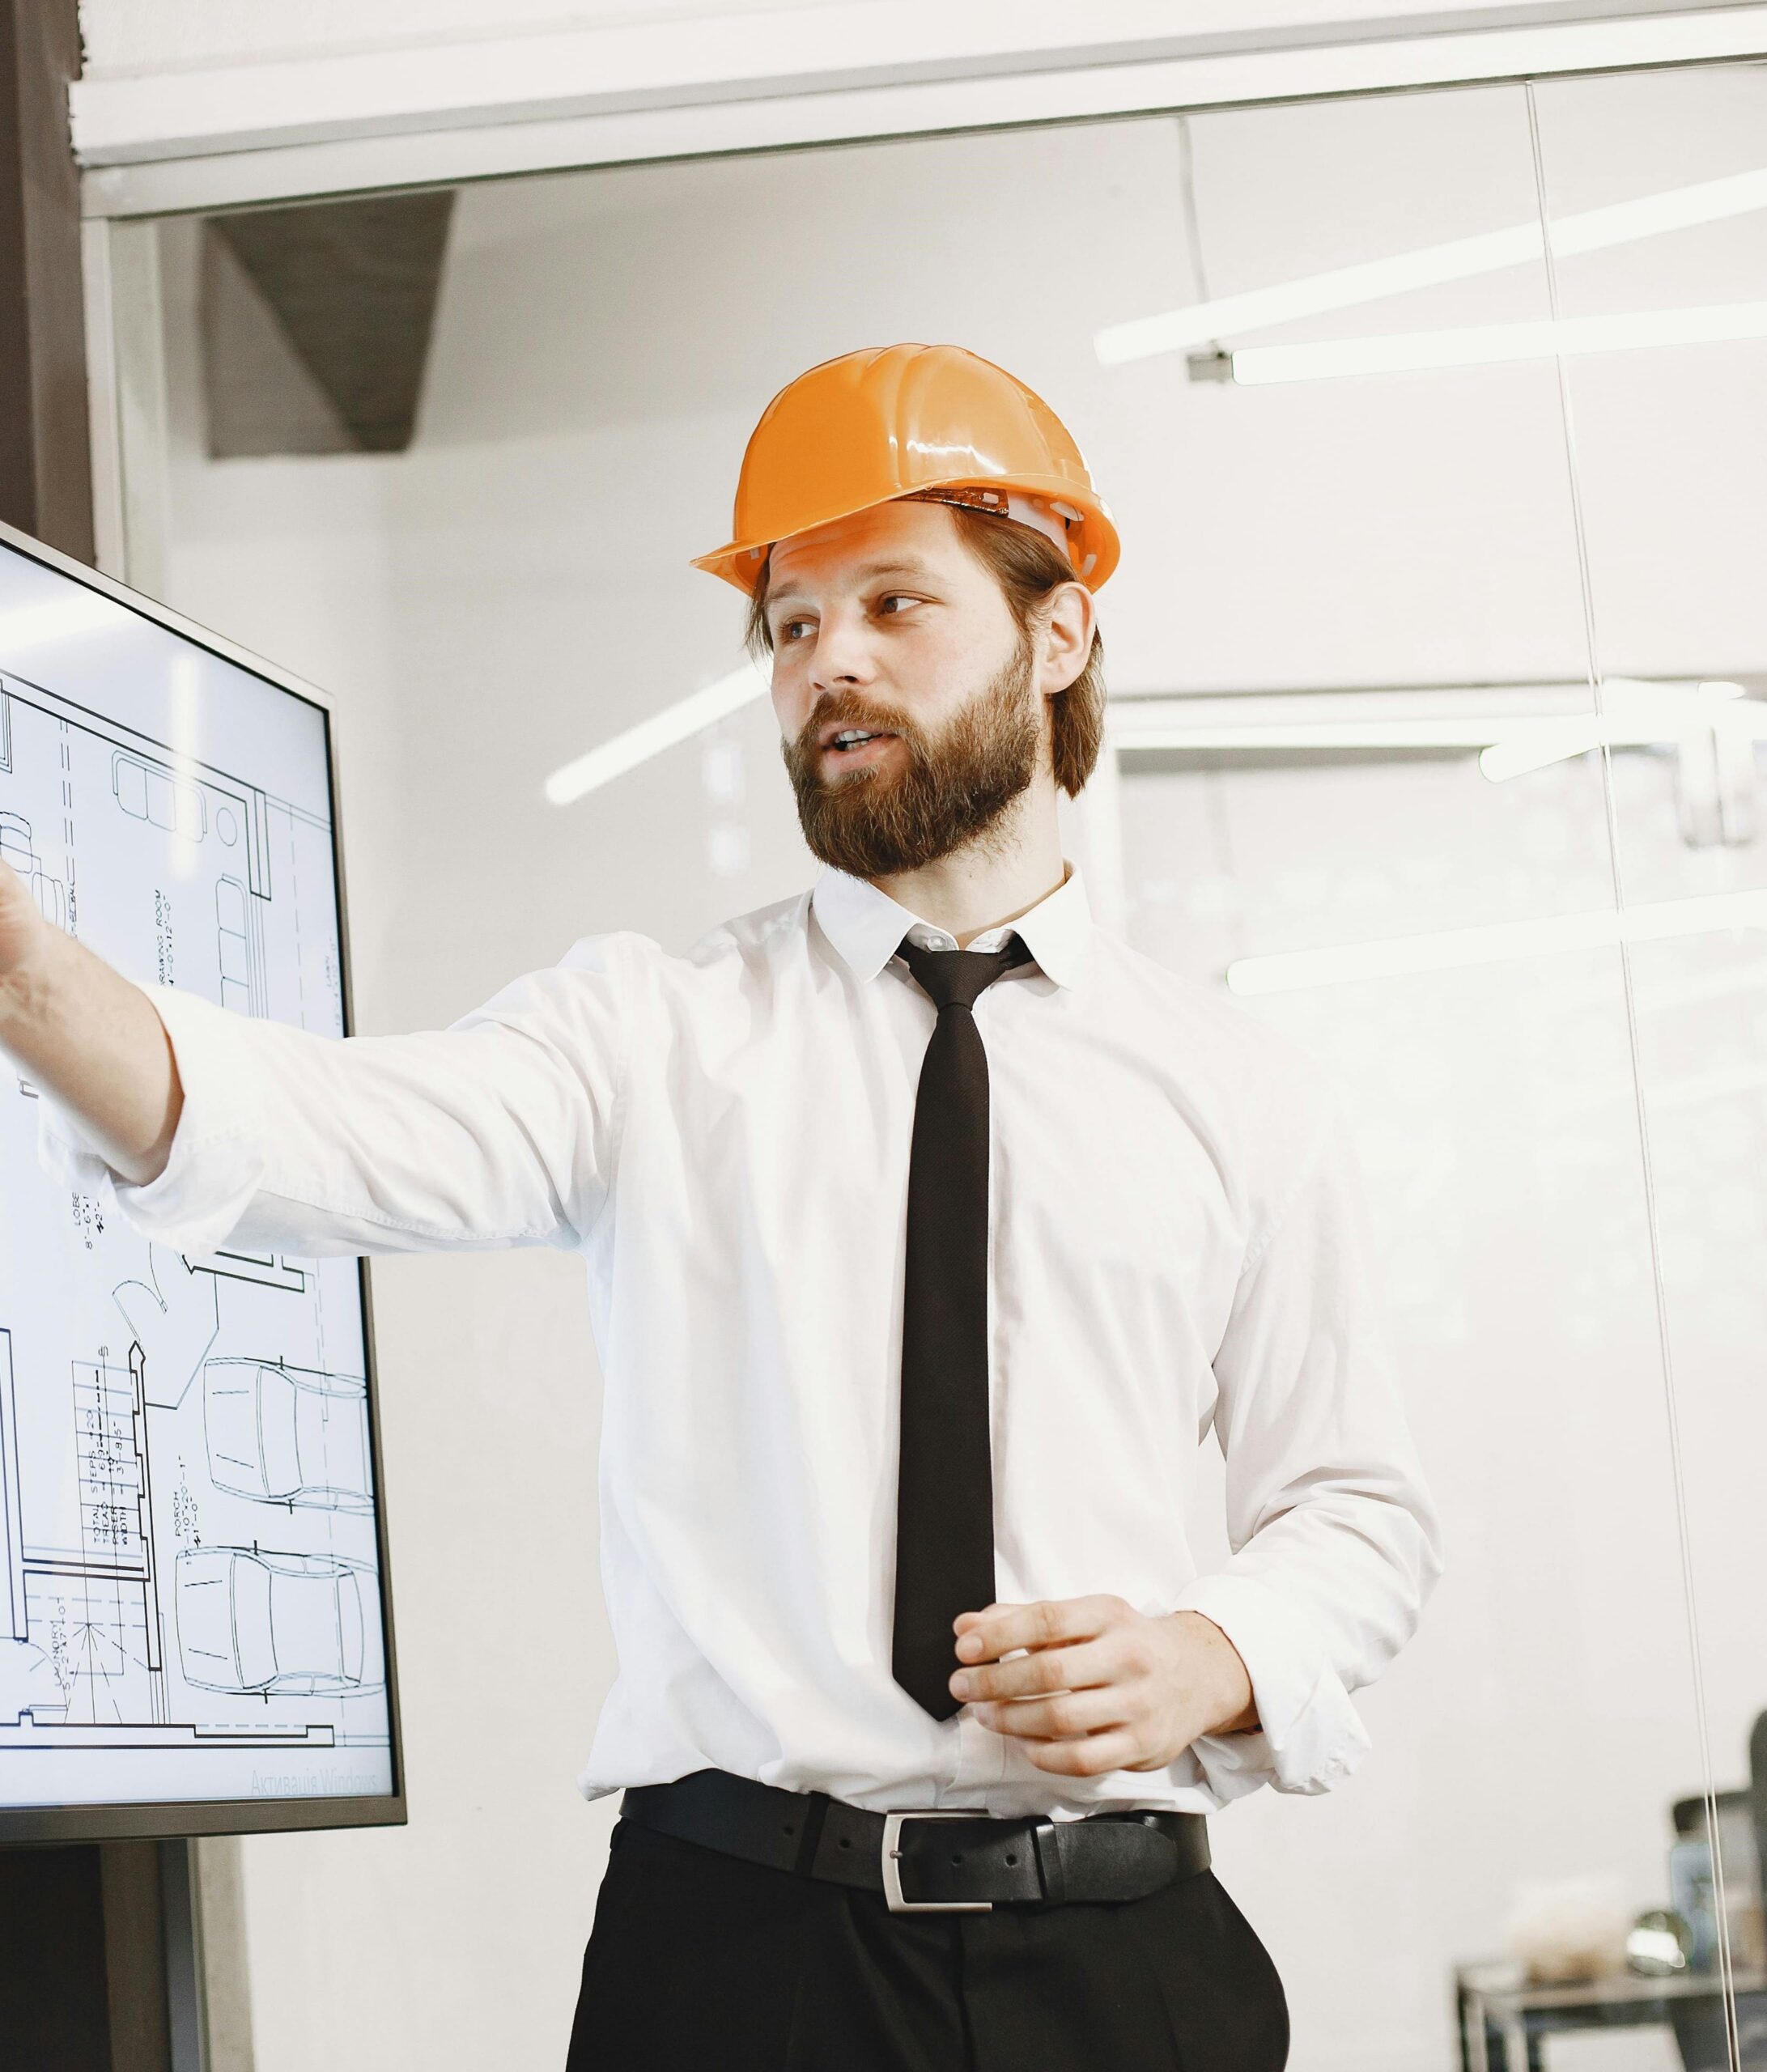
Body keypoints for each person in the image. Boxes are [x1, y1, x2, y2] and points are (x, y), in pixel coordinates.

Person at [0, 342, 1440, 2070]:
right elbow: (317, 1129)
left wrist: (1215, 1649)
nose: (826, 658)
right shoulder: (654, 1032)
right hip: (743, 1966)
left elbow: (1354, 1508)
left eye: (893, 602)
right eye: (788, 622)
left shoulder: (1234, 1082)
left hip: (1128, 1967)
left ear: (1056, 635)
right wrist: (25, 976)